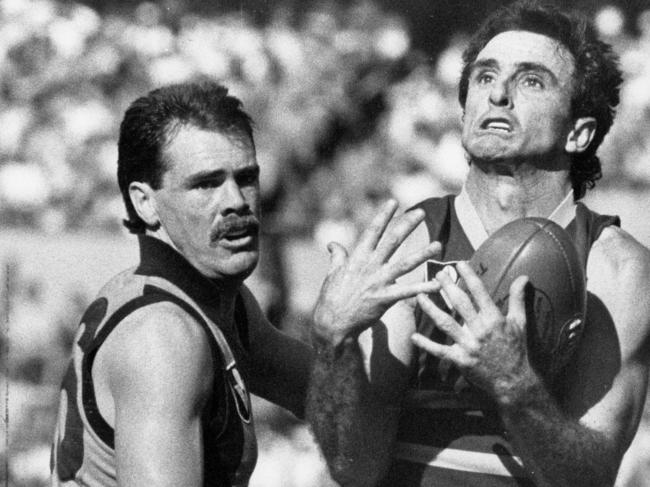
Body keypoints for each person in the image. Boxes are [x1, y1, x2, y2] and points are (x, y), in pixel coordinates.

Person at [306, 2, 650, 486]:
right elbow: (353, 469)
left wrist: (517, 387)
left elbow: (591, 478)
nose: (498, 96)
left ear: (579, 132)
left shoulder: (617, 267)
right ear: (464, 107)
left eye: (532, 80)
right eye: (485, 78)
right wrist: (332, 345)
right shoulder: (412, 245)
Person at [49, 81, 438, 487]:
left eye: (246, 178)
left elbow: (339, 421)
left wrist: (336, 336)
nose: (236, 200)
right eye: (206, 184)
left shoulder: (211, 304)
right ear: (145, 203)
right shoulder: (163, 336)